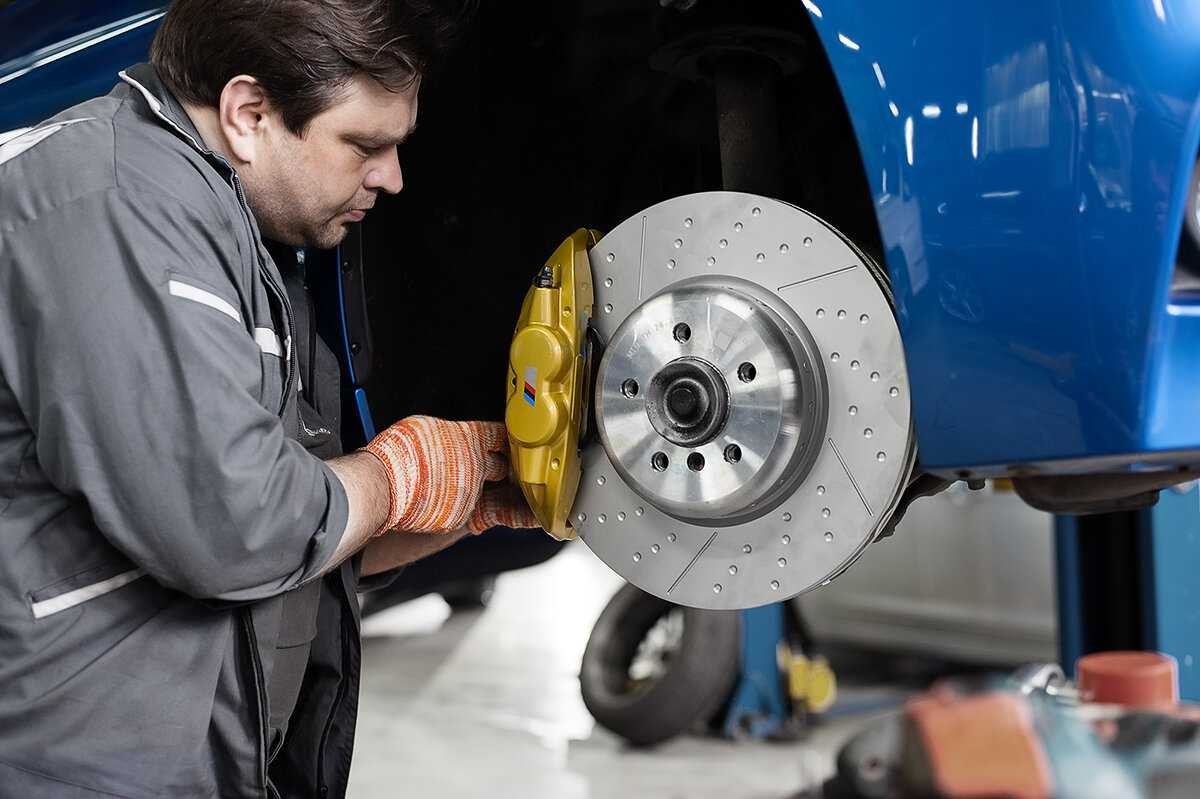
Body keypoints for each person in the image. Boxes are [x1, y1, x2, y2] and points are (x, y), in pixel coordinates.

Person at [0, 0, 539, 796]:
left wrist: (458, 504)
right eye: (366, 144)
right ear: (249, 113)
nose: (392, 176)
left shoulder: (234, 229)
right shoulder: (110, 202)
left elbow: (295, 539)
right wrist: (398, 476)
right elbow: (232, 526)